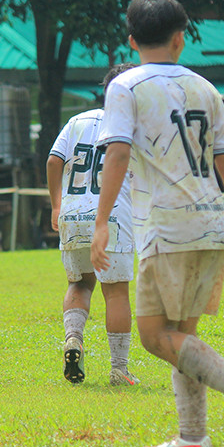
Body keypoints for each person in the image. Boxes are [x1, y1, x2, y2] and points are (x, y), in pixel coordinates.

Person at [90, 0, 224, 447]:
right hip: (214, 223)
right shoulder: (206, 89)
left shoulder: (125, 87)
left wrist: (101, 224)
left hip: (167, 227)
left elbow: (115, 153)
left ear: (132, 40)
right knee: (181, 336)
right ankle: (193, 439)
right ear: (181, 39)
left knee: (156, 337)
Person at [47, 63, 139, 386]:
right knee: (115, 293)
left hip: (73, 217)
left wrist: (57, 204)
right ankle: (119, 369)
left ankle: (73, 338)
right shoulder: (132, 127)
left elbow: (53, 160)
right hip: (110, 217)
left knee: (80, 283)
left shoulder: (77, 121)